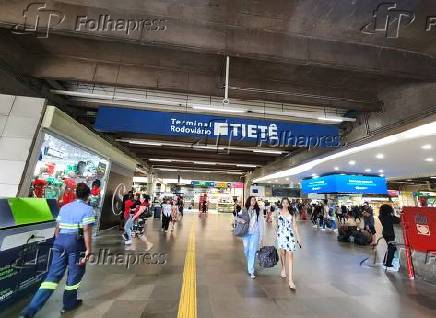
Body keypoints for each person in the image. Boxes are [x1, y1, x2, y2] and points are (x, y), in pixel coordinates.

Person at [20, 183, 95, 318]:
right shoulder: (88, 209)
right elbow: (86, 230)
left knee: (52, 277)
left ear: (76, 194)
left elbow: (57, 229)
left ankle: (29, 311)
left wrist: (59, 243)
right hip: (76, 244)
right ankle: (69, 304)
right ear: (87, 195)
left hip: (59, 242)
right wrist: (89, 249)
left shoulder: (65, 208)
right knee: (75, 274)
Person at [276, 197, 301, 290]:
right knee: (282, 253)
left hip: (290, 236)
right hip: (281, 235)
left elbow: (294, 225)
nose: (285, 204)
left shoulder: (292, 213)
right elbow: (277, 224)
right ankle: (283, 268)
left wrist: (298, 237)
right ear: (281, 204)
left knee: (290, 255)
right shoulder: (278, 212)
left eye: (287, 203)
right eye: (284, 203)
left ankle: (290, 280)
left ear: (289, 204)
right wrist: (277, 234)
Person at [238, 196, 265, 279]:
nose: (253, 201)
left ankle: (251, 270)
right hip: (246, 232)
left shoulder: (258, 210)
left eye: (254, 200)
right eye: (252, 200)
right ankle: (250, 259)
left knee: (252, 251)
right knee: (246, 250)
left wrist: (261, 236)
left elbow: (261, 223)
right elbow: (237, 218)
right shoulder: (244, 209)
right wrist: (241, 220)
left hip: (255, 233)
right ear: (249, 201)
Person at [378, 204, 401, 271]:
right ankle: (388, 264)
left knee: (390, 248)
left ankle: (385, 263)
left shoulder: (381, 216)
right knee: (392, 249)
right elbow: (399, 220)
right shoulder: (390, 217)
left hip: (385, 234)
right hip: (391, 234)